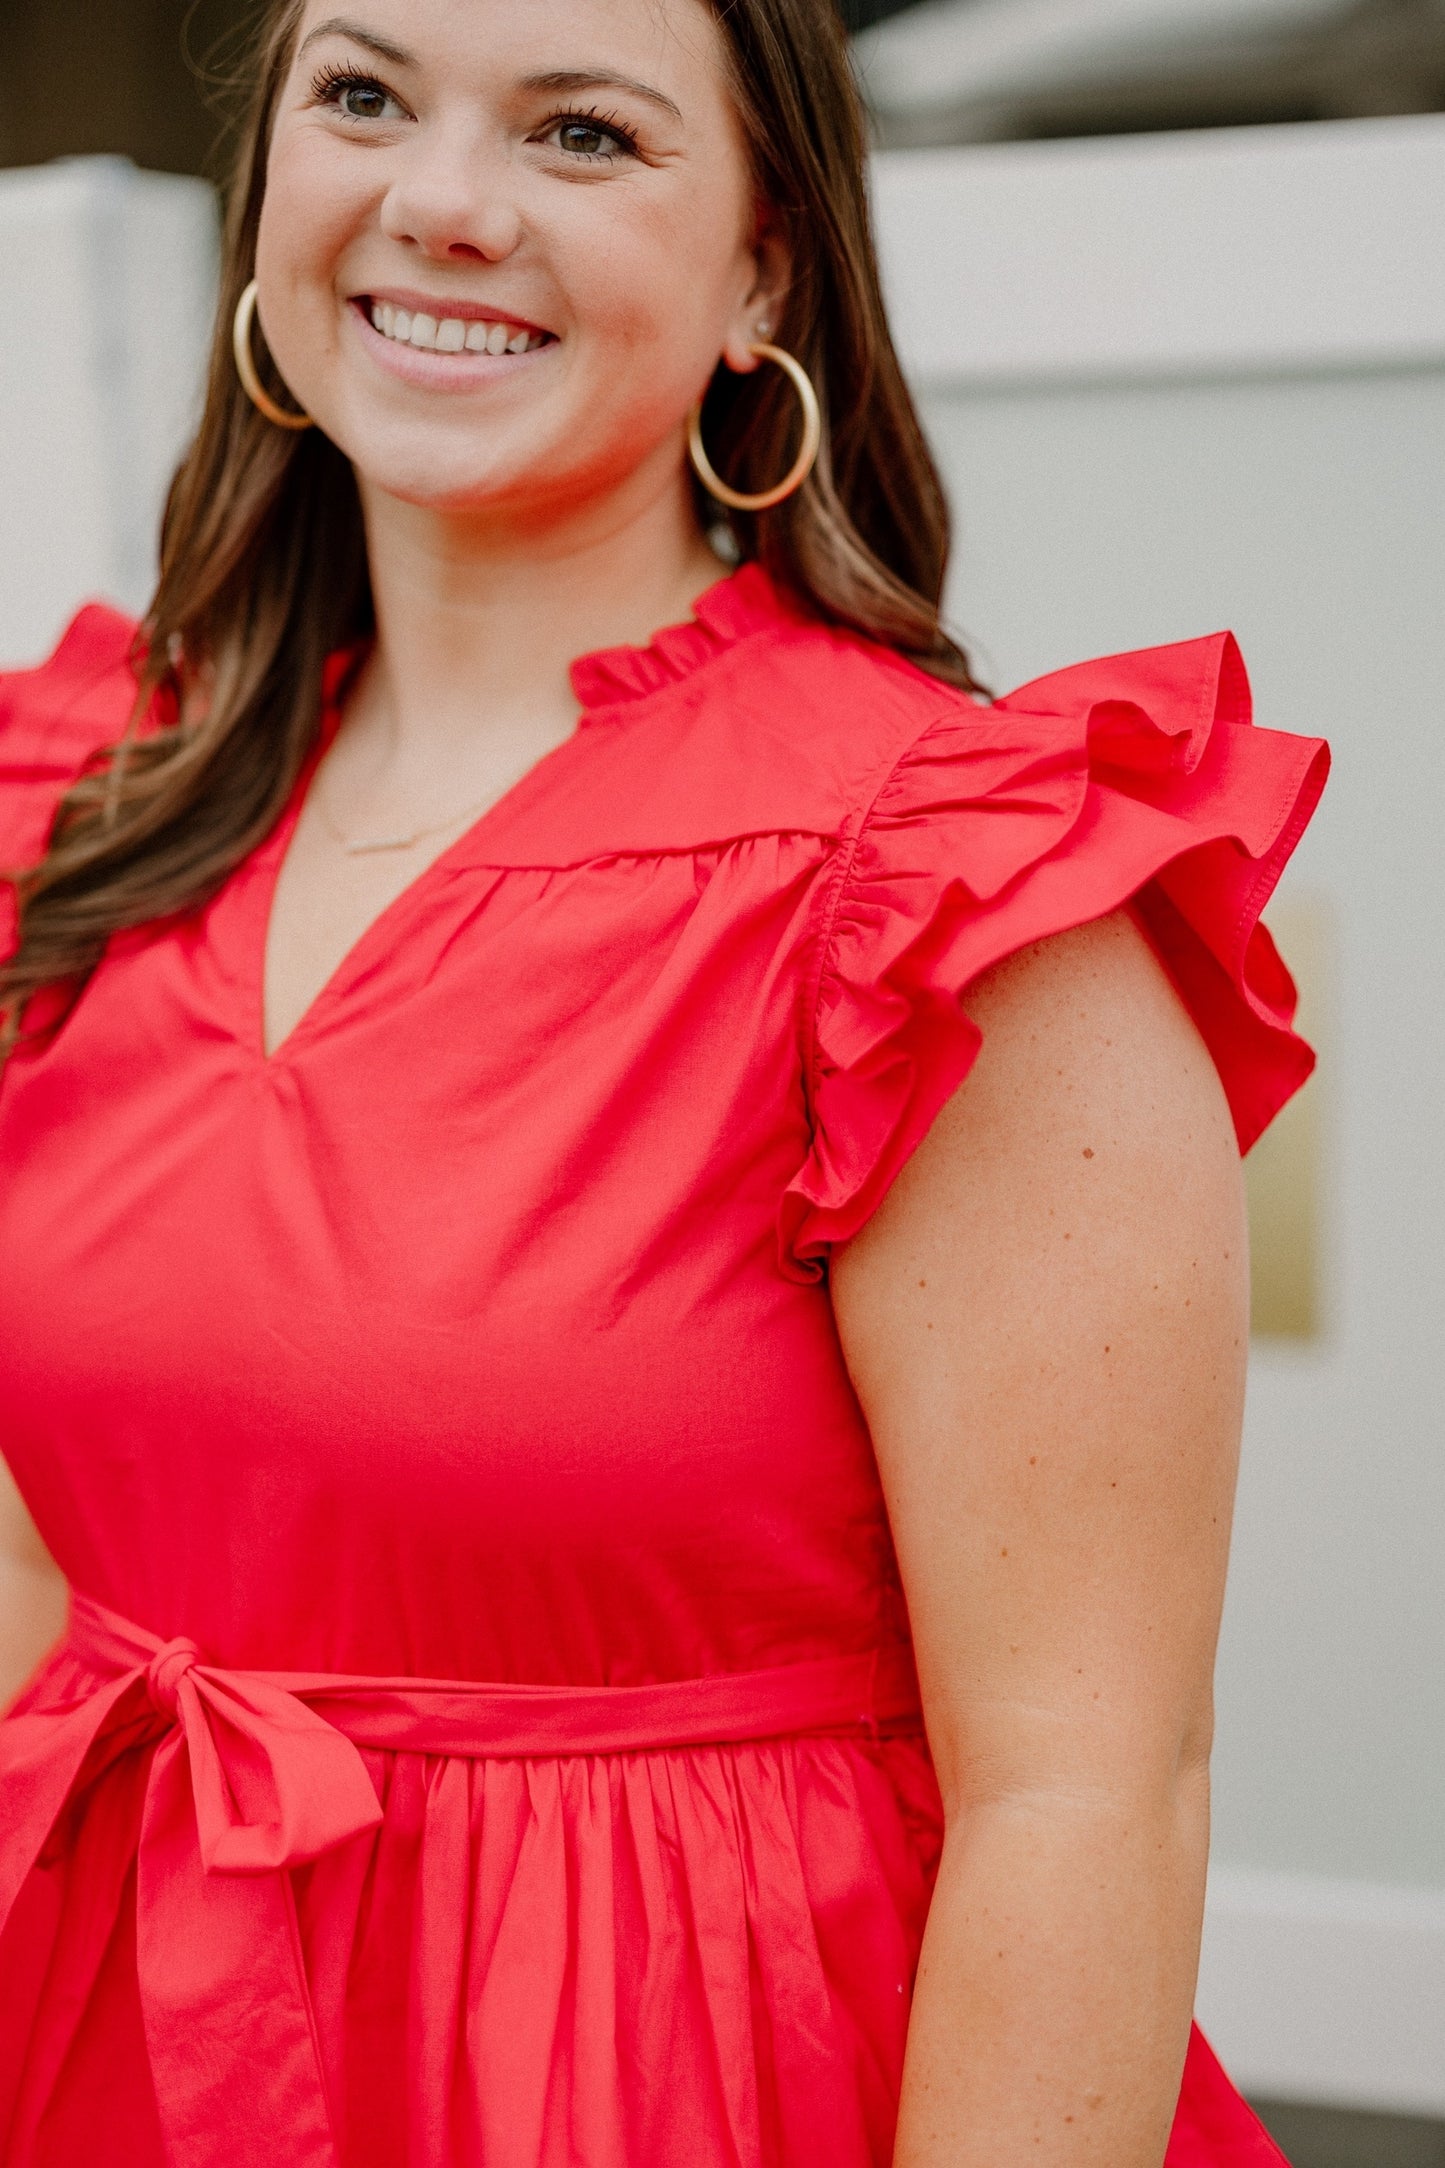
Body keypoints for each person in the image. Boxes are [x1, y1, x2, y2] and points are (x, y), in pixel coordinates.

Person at [0, 0, 1328, 2162]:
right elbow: (48, 1586)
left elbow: (1086, 1787)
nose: (440, 201)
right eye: (363, 95)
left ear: (764, 270)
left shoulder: (945, 888)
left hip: (679, 2082)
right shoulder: (86, 818)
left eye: (583, 133)